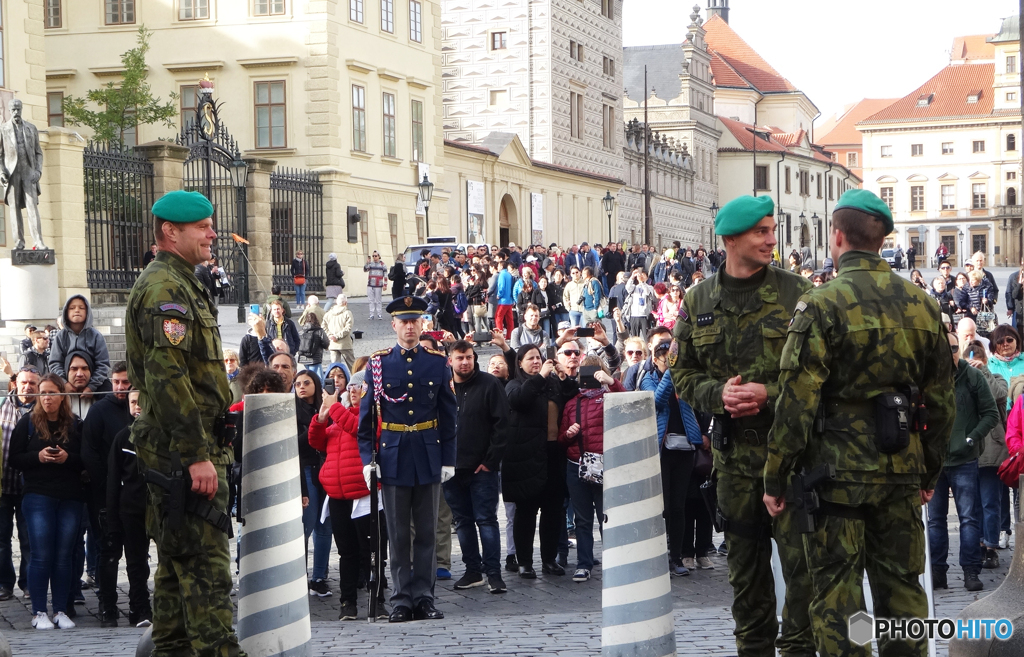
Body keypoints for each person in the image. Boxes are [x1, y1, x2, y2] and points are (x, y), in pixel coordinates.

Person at [763, 189, 955, 657]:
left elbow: (796, 401)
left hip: (834, 477)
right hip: (900, 470)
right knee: (904, 594)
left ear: (838, 236)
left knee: (838, 597)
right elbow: (943, 404)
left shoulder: (821, 304)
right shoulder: (923, 305)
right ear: (881, 239)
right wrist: (928, 471)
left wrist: (776, 475)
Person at [671, 194, 814, 657]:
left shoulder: (797, 292)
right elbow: (683, 373)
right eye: (761, 232)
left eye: (772, 230)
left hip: (792, 460)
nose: (772, 240)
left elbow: (820, 372)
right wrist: (720, 395)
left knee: (802, 585)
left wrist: (768, 393)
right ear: (730, 239)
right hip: (733, 463)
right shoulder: (699, 299)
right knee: (746, 589)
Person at [124, 190, 243, 655]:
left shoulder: (182, 282)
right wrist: (197, 457)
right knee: (209, 581)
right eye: (203, 227)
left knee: (174, 589)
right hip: (184, 458)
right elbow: (168, 379)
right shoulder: (164, 290)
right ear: (170, 233)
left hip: (182, 454)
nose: (213, 234)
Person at [357, 295, 457, 623]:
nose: (410, 326)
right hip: (393, 455)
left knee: (427, 531)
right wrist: (365, 461)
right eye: (404, 321)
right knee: (398, 534)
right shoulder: (379, 364)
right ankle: (401, 599)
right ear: (394, 325)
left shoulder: (436, 362)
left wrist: (448, 458)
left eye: (415, 320)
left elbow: (448, 413)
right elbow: (367, 418)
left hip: (428, 452)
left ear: (422, 324)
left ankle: (425, 597)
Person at [309, 370, 388, 621]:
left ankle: (378, 600)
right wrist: (321, 418)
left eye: (360, 387)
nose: (353, 391)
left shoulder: (374, 416)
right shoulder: (337, 419)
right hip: (338, 496)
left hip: (365, 496)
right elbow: (316, 442)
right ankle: (348, 603)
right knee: (347, 553)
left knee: (373, 552)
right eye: (351, 387)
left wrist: (333, 410)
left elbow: (360, 429)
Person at [9, 374, 85, 630]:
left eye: (52, 392)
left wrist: (68, 458)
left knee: (64, 555)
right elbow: (15, 459)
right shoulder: (28, 423)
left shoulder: (75, 424)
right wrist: (38, 457)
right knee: (41, 554)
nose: (47, 397)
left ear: (62, 395)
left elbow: (85, 459)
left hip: (70, 496)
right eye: (43, 393)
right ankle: (39, 610)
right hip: (38, 494)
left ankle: (61, 609)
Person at [928, 331, 998, 591]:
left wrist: (970, 438)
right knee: (935, 520)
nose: (950, 354)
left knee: (968, 518)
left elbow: (990, 414)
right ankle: (937, 572)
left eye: (955, 348)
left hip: (964, 460)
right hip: (935, 461)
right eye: (945, 349)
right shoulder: (928, 377)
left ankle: (970, 571)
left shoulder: (972, 376)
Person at [638, 331, 706, 577]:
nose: (669, 361)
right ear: (655, 359)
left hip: (685, 449)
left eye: (672, 358)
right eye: (664, 357)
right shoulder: (648, 378)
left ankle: (676, 557)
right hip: (661, 450)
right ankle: (657, 555)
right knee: (661, 506)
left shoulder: (685, 378)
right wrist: (670, 374)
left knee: (679, 506)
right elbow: (657, 401)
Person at [445, 341, 510, 593]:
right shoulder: (442, 387)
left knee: (486, 520)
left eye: (469, 357)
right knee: (462, 522)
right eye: (460, 358)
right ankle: (473, 571)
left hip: (482, 469)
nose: (465, 362)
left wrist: (490, 461)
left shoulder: (489, 384)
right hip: (450, 469)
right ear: (450, 360)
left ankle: (493, 573)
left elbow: (502, 425)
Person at [503, 344, 572, 578]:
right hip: (525, 456)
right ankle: (524, 562)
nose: (536, 361)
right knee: (526, 511)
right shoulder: (514, 384)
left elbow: (572, 396)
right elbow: (520, 400)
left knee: (553, 511)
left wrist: (563, 378)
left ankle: (549, 559)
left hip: (553, 452)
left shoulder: (552, 384)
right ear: (520, 362)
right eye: (530, 358)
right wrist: (541, 376)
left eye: (539, 357)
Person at [559, 356, 621, 582]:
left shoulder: (610, 398)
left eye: (594, 372)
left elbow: (631, 404)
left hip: (606, 466)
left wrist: (611, 382)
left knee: (607, 517)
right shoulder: (572, 403)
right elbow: (561, 439)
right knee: (582, 520)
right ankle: (584, 564)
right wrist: (568, 435)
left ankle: (614, 561)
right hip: (577, 466)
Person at [80, 362, 132, 626]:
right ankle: (107, 607)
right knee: (108, 553)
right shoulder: (99, 410)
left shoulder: (139, 409)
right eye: (117, 382)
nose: (121, 388)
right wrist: (109, 484)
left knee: (136, 553)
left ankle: (139, 607)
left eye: (125, 382)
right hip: (104, 495)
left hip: (135, 495)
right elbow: (89, 452)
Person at [105, 389, 153, 627]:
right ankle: (140, 608)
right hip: (132, 509)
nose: (138, 407)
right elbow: (113, 481)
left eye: (142, 402)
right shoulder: (122, 438)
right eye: (133, 402)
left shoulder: (161, 436)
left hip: (160, 507)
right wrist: (113, 521)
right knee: (136, 562)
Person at [294, 370, 333, 597]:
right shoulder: (293, 411)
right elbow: (297, 443)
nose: (301, 387)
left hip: (325, 469)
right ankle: (299, 575)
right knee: (307, 524)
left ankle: (319, 576)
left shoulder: (325, 407)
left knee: (325, 525)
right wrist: (316, 425)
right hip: (306, 470)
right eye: (298, 383)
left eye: (306, 383)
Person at [0, 367, 38, 601]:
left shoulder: (42, 409)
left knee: (29, 539)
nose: (28, 387)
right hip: (2, 486)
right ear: (15, 383)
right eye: (24, 382)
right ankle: (4, 584)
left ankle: (28, 583)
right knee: (1, 540)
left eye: (33, 383)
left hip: (29, 487)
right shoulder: (2, 405)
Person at [48, 295, 110, 396]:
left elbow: (103, 364)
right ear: (66, 312)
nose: (77, 310)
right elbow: (55, 363)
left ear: (87, 312)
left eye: (81, 308)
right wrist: (64, 383)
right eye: (72, 308)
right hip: (65, 385)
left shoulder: (96, 336)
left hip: (95, 385)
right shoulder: (60, 336)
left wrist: (92, 386)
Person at [324, 294, 355, 369]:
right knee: (353, 366)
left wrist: (330, 335)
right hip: (345, 344)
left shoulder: (328, 313)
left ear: (336, 302)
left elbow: (323, 326)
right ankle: (356, 380)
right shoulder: (347, 313)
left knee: (335, 368)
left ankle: (336, 380)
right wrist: (337, 336)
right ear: (345, 303)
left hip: (333, 344)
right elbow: (348, 328)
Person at [297, 313, 329, 380]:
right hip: (315, 358)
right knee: (313, 377)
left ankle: (321, 388)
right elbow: (326, 343)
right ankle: (318, 389)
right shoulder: (319, 331)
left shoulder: (301, 331)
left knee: (318, 375)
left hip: (303, 358)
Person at [624, 268, 654, 337]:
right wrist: (632, 277)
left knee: (647, 337)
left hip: (644, 315)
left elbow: (648, 293)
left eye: (643, 275)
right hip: (634, 315)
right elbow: (628, 287)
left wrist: (642, 282)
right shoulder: (634, 287)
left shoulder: (650, 287)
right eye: (640, 275)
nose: (641, 277)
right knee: (635, 337)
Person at [495, 259, 517, 339]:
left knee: (498, 317)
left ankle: (499, 335)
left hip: (503, 300)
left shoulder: (502, 274)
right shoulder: (509, 274)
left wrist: (499, 295)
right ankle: (510, 335)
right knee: (510, 319)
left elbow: (501, 286)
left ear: (501, 266)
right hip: (509, 300)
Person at [364, 251, 388, 320]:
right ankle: (371, 314)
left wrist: (385, 284)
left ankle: (379, 314)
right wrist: (367, 263)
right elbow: (365, 269)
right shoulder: (371, 264)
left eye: (375, 256)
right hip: (370, 284)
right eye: (373, 256)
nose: (374, 257)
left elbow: (385, 275)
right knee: (371, 300)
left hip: (378, 285)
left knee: (378, 300)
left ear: (379, 256)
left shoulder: (382, 264)